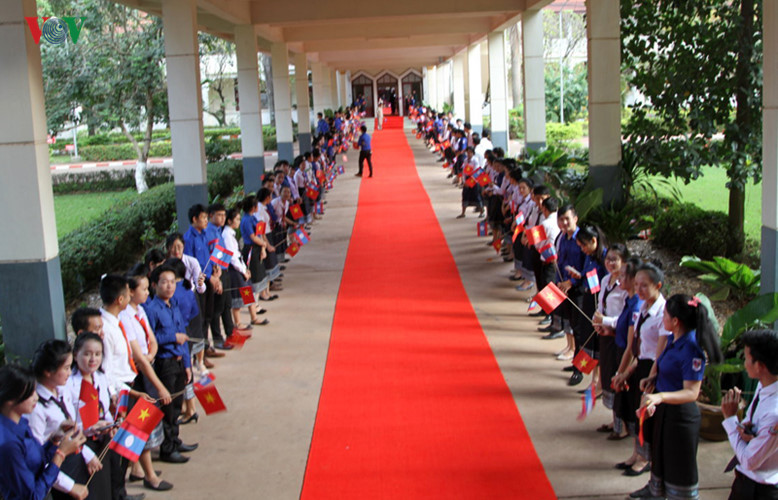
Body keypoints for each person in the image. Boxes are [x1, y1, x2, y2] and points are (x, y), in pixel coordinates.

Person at [630, 294, 723, 500]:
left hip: (681, 418)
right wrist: (653, 379)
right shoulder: (673, 339)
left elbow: (692, 392)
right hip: (665, 412)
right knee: (661, 456)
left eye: (664, 314)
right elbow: (670, 371)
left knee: (678, 467)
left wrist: (660, 396)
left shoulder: (691, 350)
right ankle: (655, 490)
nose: (662, 318)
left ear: (675, 321)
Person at [613, 262, 670, 477]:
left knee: (646, 416)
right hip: (641, 365)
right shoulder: (642, 308)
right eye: (636, 284)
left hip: (654, 369)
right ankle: (637, 453)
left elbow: (659, 353)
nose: (639, 289)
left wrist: (651, 379)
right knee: (636, 414)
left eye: (644, 285)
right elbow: (638, 346)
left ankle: (646, 458)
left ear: (658, 285)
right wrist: (626, 372)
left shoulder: (663, 313)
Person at [0, 364, 86, 500]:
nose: (36, 397)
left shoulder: (20, 422)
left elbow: (35, 461)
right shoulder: (8, 443)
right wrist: (60, 455)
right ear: (10, 399)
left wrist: (55, 439)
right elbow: (32, 496)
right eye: (30, 394)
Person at [144, 264, 196, 464]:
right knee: (167, 408)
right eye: (164, 282)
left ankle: (175, 440)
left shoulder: (173, 305)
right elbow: (150, 339)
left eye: (173, 282)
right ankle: (167, 448)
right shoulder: (151, 310)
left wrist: (187, 364)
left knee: (176, 405)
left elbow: (183, 332)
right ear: (154, 285)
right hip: (164, 363)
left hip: (179, 361)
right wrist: (172, 337)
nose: (169, 286)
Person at [27, 340, 91, 500]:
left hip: (74, 461)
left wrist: (88, 454)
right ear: (48, 371)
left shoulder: (62, 390)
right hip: (57, 475)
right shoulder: (35, 407)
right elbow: (37, 459)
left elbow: (70, 431)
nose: (70, 372)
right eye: (66, 368)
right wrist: (69, 486)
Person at [721, 329, 778, 499]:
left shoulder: (774, 413)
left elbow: (749, 461)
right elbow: (751, 420)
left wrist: (730, 419)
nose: (744, 363)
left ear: (759, 366)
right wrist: (747, 431)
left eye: (746, 358)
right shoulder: (764, 385)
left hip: (758, 490)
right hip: (745, 482)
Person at [592, 244, 630, 439]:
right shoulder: (605, 279)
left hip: (619, 336)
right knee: (607, 375)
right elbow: (601, 305)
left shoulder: (625, 287)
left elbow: (626, 318)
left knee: (618, 377)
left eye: (615, 259)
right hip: (605, 335)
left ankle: (623, 425)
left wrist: (605, 321)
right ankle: (615, 420)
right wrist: (598, 321)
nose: (610, 263)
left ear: (624, 262)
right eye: (608, 259)